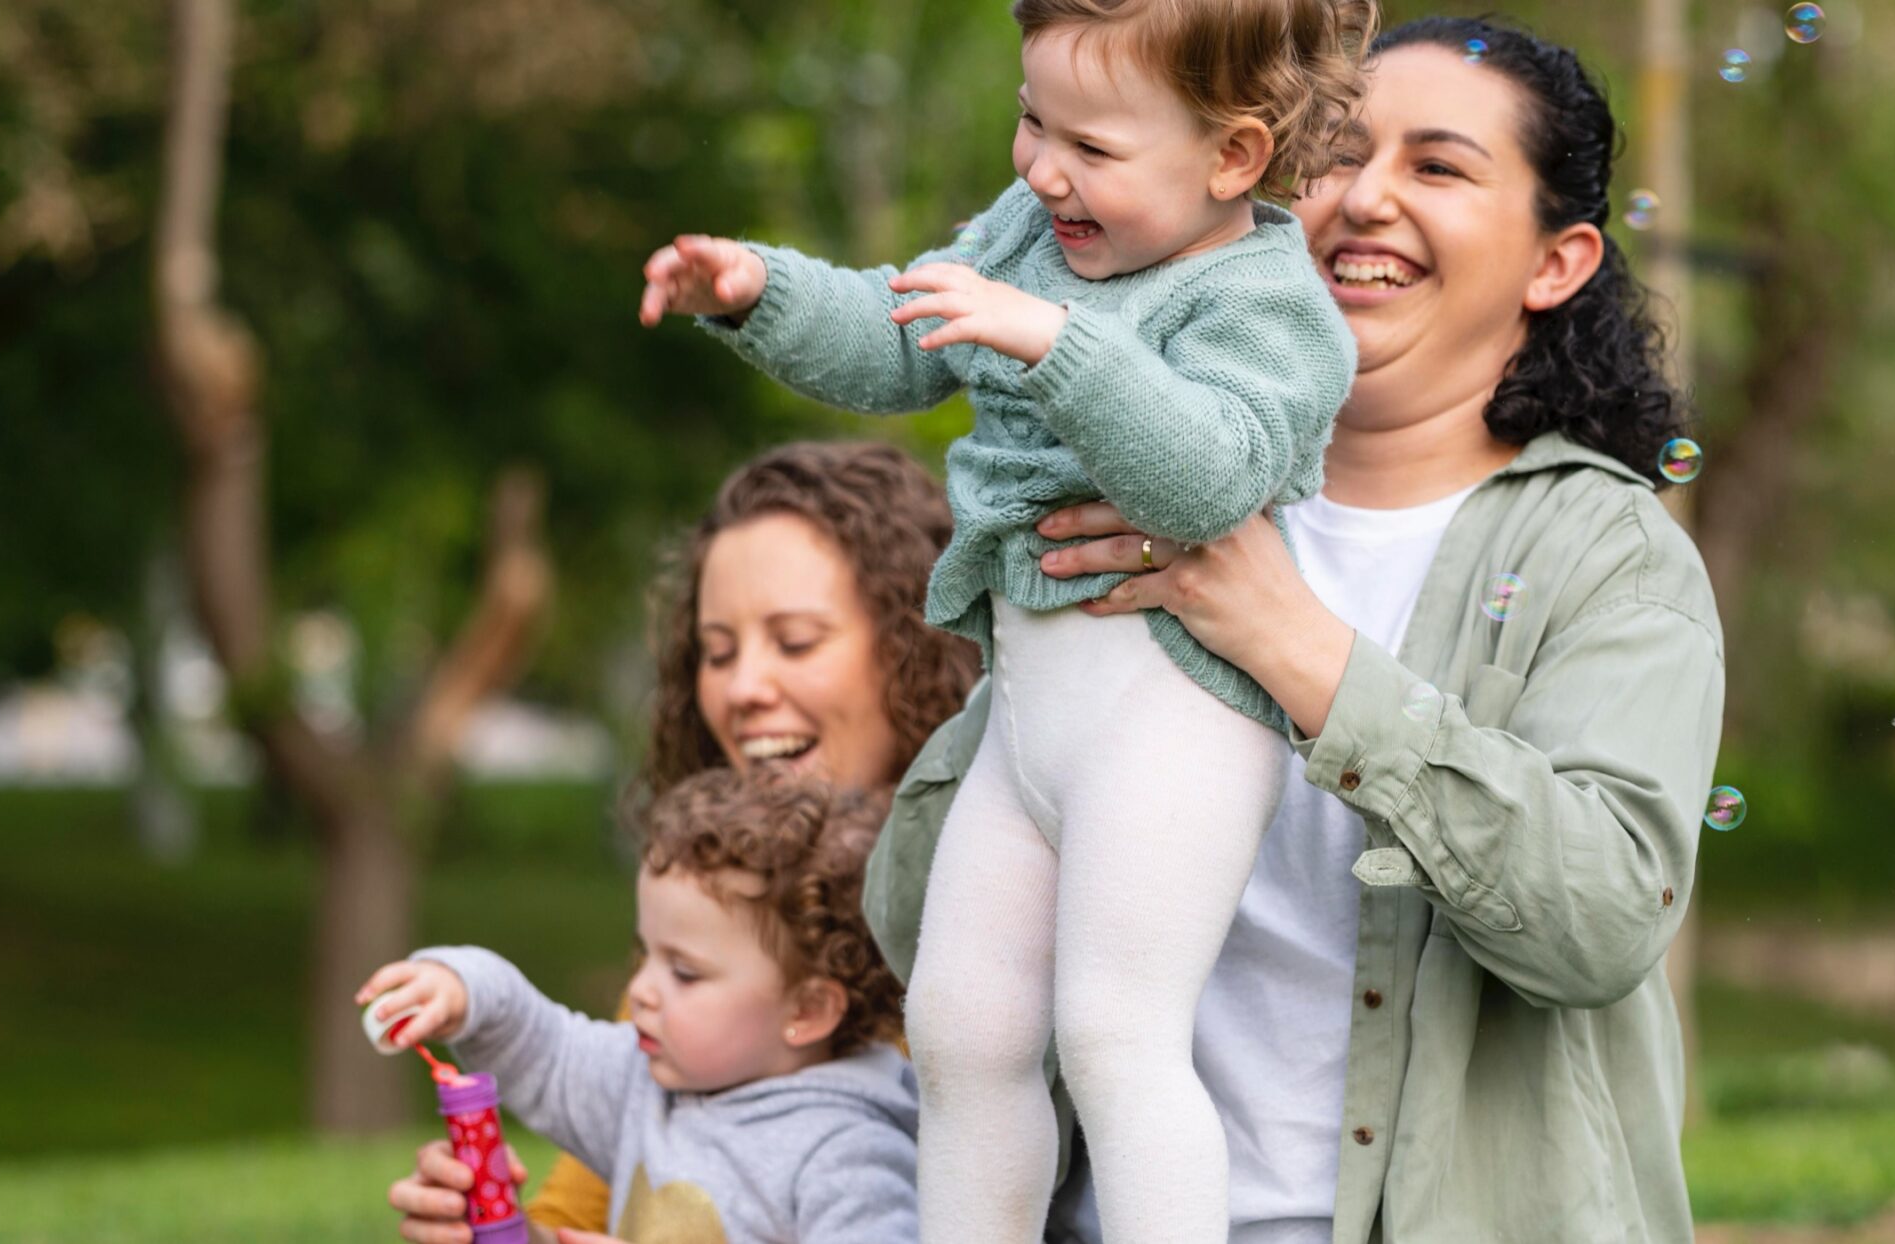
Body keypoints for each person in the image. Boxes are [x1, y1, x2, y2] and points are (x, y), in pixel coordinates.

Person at [868, 15, 1724, 1243]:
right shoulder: (1119, 496)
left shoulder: (1608, 554)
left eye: (1437, 167)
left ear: (1556, 261)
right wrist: (1039, 667)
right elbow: (916, 931)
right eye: (1339, 153)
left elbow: (1600, 921)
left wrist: (1295, 646)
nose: (1364, 198)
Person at [638, 2, 1375, 1236]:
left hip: (1175, 718)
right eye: (1033, 121)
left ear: (1232, 156)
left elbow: (1210, 476)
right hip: (1029, 727)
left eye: (1090, 146)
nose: (1041, 169)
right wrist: (760, 291)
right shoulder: (1035, 230)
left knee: (1115, 1032)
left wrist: (1055, 346)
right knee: (962, 1025)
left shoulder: (1266, 298)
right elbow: (900, 332)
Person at [384, 440, 978, 1244]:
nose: (742, 689)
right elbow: (589, 1204)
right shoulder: (701, 959)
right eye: (718, 651)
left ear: (919, 647)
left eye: (795, 641)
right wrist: (495, 1227)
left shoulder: (1008, 954)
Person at [359, 769, 917, 1244]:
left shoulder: (849, 1155)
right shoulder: (644, 1082)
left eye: (684, 972)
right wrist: (464, 989)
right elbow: (544, 1050)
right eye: (645, 953)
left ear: (808, 1010)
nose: (642, 989)